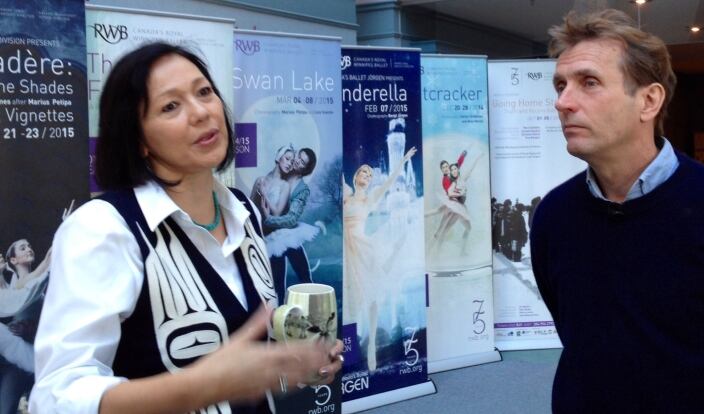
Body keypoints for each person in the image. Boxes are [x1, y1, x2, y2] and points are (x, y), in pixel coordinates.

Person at [30, 42, 342, 414]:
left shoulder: (243, 210)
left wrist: (292, 365)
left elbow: (241, 363)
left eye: (204, 92)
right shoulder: (104, 229)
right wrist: (199, 386)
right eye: (170, 106)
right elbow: (56, 398)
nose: (200, 112)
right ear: (139, 139)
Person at [531, 9, 704, 413]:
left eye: (588, 83)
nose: (563, 102)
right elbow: (575, 335)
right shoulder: (554, 217)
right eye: (560, 85)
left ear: (648, 100)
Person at [343, 147, 416, 372]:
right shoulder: (345, 194)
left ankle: (372, 345)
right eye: (363, 173)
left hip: (364, 247)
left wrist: (403, 160)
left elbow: (389, 182)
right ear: (355, 177)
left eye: (369, 175)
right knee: (352, 297)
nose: (366, 176)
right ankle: (349, 350)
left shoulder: (371, 198)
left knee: (372, 295)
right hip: (347, 248)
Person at [260, 147, 319, 302]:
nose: (298, 161)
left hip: (289, 234)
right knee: (278, 284)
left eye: (303, 162)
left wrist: (270, 220)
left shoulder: (301, 189)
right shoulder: (281, 172)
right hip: (272, 237)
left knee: (305, 278)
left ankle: (316, 311)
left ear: (306, 169)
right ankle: (279, 319)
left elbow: (292, 218)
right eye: (298, 157)